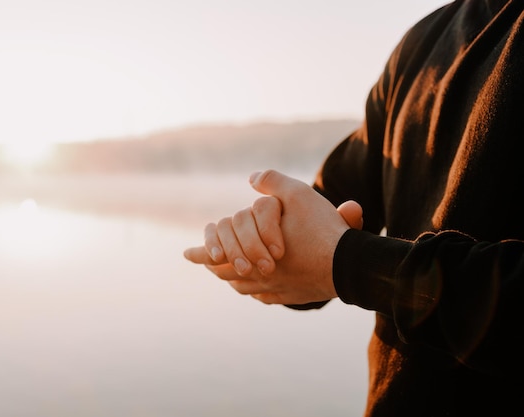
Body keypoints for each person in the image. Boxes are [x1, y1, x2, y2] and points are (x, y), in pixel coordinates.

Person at [183, 0, 524, 415]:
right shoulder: (423, 42)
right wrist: (261, 243)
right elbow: (324, 218)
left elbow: (336, 257)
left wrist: (346, 265)